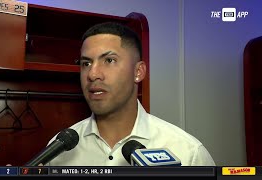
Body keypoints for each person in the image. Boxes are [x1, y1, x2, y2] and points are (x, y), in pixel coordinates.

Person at [45, 22, 215, 166]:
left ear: (138, 72)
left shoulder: (188, 153)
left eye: (109, 60)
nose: (92, 74)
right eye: (86, 63)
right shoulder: (56, 151)